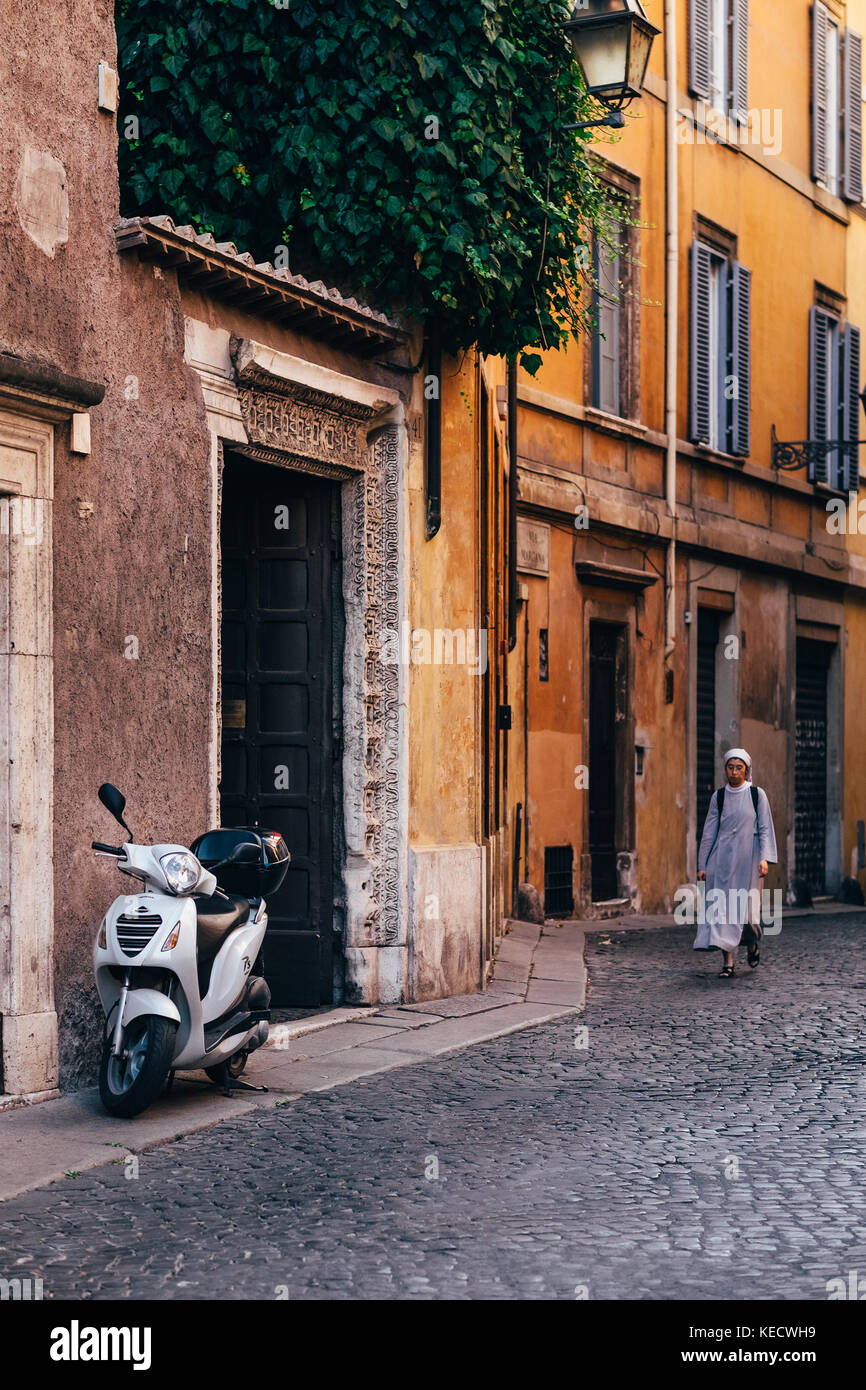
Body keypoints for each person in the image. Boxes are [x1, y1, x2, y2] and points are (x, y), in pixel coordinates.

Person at [696, 748, 778, 978]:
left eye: (739, 767)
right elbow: (709, 832)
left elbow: (764, 828)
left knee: (747, 912)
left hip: (749, 861)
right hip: (722, 860)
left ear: (746, 769)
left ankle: (751, 945)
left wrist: (764, 858)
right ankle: (728, 963)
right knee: (722, 910)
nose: (734, 772)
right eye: (730, 767)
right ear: (725, 770)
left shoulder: (756, 795)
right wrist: (703, 865)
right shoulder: (718, 797)